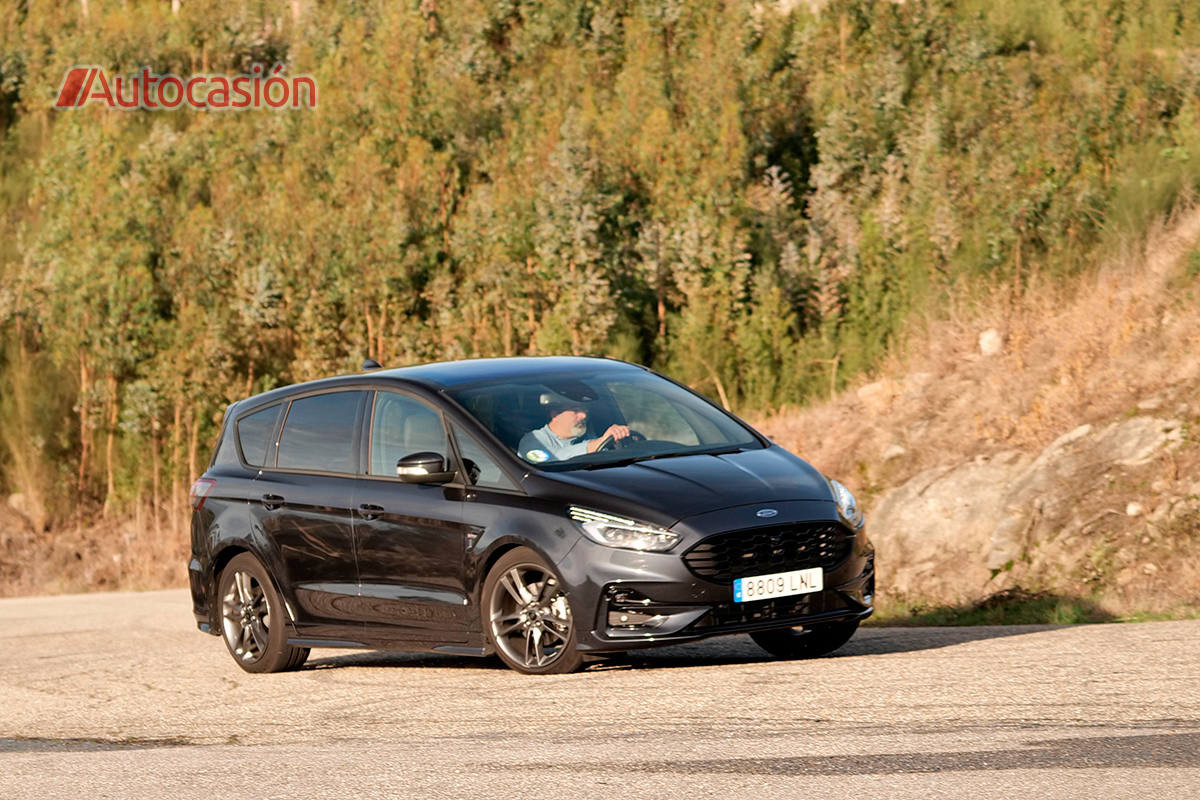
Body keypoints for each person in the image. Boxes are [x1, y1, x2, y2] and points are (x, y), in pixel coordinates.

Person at [517, 401, 629, 463]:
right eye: (575, 410)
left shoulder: (588, 437)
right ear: (555, 414)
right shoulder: (533, 440)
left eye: (585, 410)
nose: (584, 415)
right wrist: (600, 442)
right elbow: (555, 459)